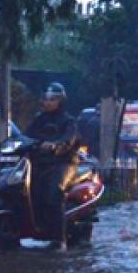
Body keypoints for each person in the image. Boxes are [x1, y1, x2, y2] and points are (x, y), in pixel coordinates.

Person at [24, 82, 81, 251]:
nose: (48, 103)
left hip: (63, 163)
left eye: (53, 99)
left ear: (61, 101)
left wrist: (56, 146)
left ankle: (59, 239)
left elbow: (69, 140)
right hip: (39, 162)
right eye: (46, 99)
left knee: (54, 192)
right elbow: (25, 136)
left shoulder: (69, 121)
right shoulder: (38, 120)